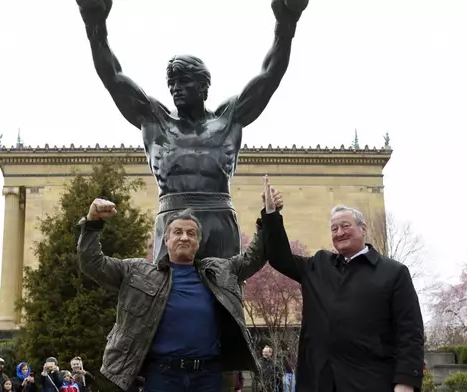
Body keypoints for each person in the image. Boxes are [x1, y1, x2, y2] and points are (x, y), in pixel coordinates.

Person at [75, 0, 309, 263]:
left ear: (203, 86)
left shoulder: (228, 118)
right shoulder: (155, 119)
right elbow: (113, 78)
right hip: (171, 218)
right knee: (168, 294)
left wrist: (286, 22)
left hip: (219, 219)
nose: (176, 88)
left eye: (184, 81)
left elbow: (269, 76)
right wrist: (94, 23)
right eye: (172, 83)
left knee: (224, 293)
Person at [77, 176, 283, 391]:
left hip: (208, 375)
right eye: (177, 232)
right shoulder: (137, 272)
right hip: (161, 375)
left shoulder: (220, 271)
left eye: (191, 233)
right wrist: (92, 223)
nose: (184, 237)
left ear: (198, 242)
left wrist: (269, 216)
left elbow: (255, 256)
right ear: (166, 240)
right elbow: (92, 264)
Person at [262, 204, 425, 392]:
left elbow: (410, 331)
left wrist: (406, 381)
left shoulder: (393, 273)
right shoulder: (318, 265)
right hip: (318, 382)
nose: (339, 233)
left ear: (363, 228)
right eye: (334, 228)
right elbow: (278, 257)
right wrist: (271, 215)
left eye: (345, 226)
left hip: (371, 381)